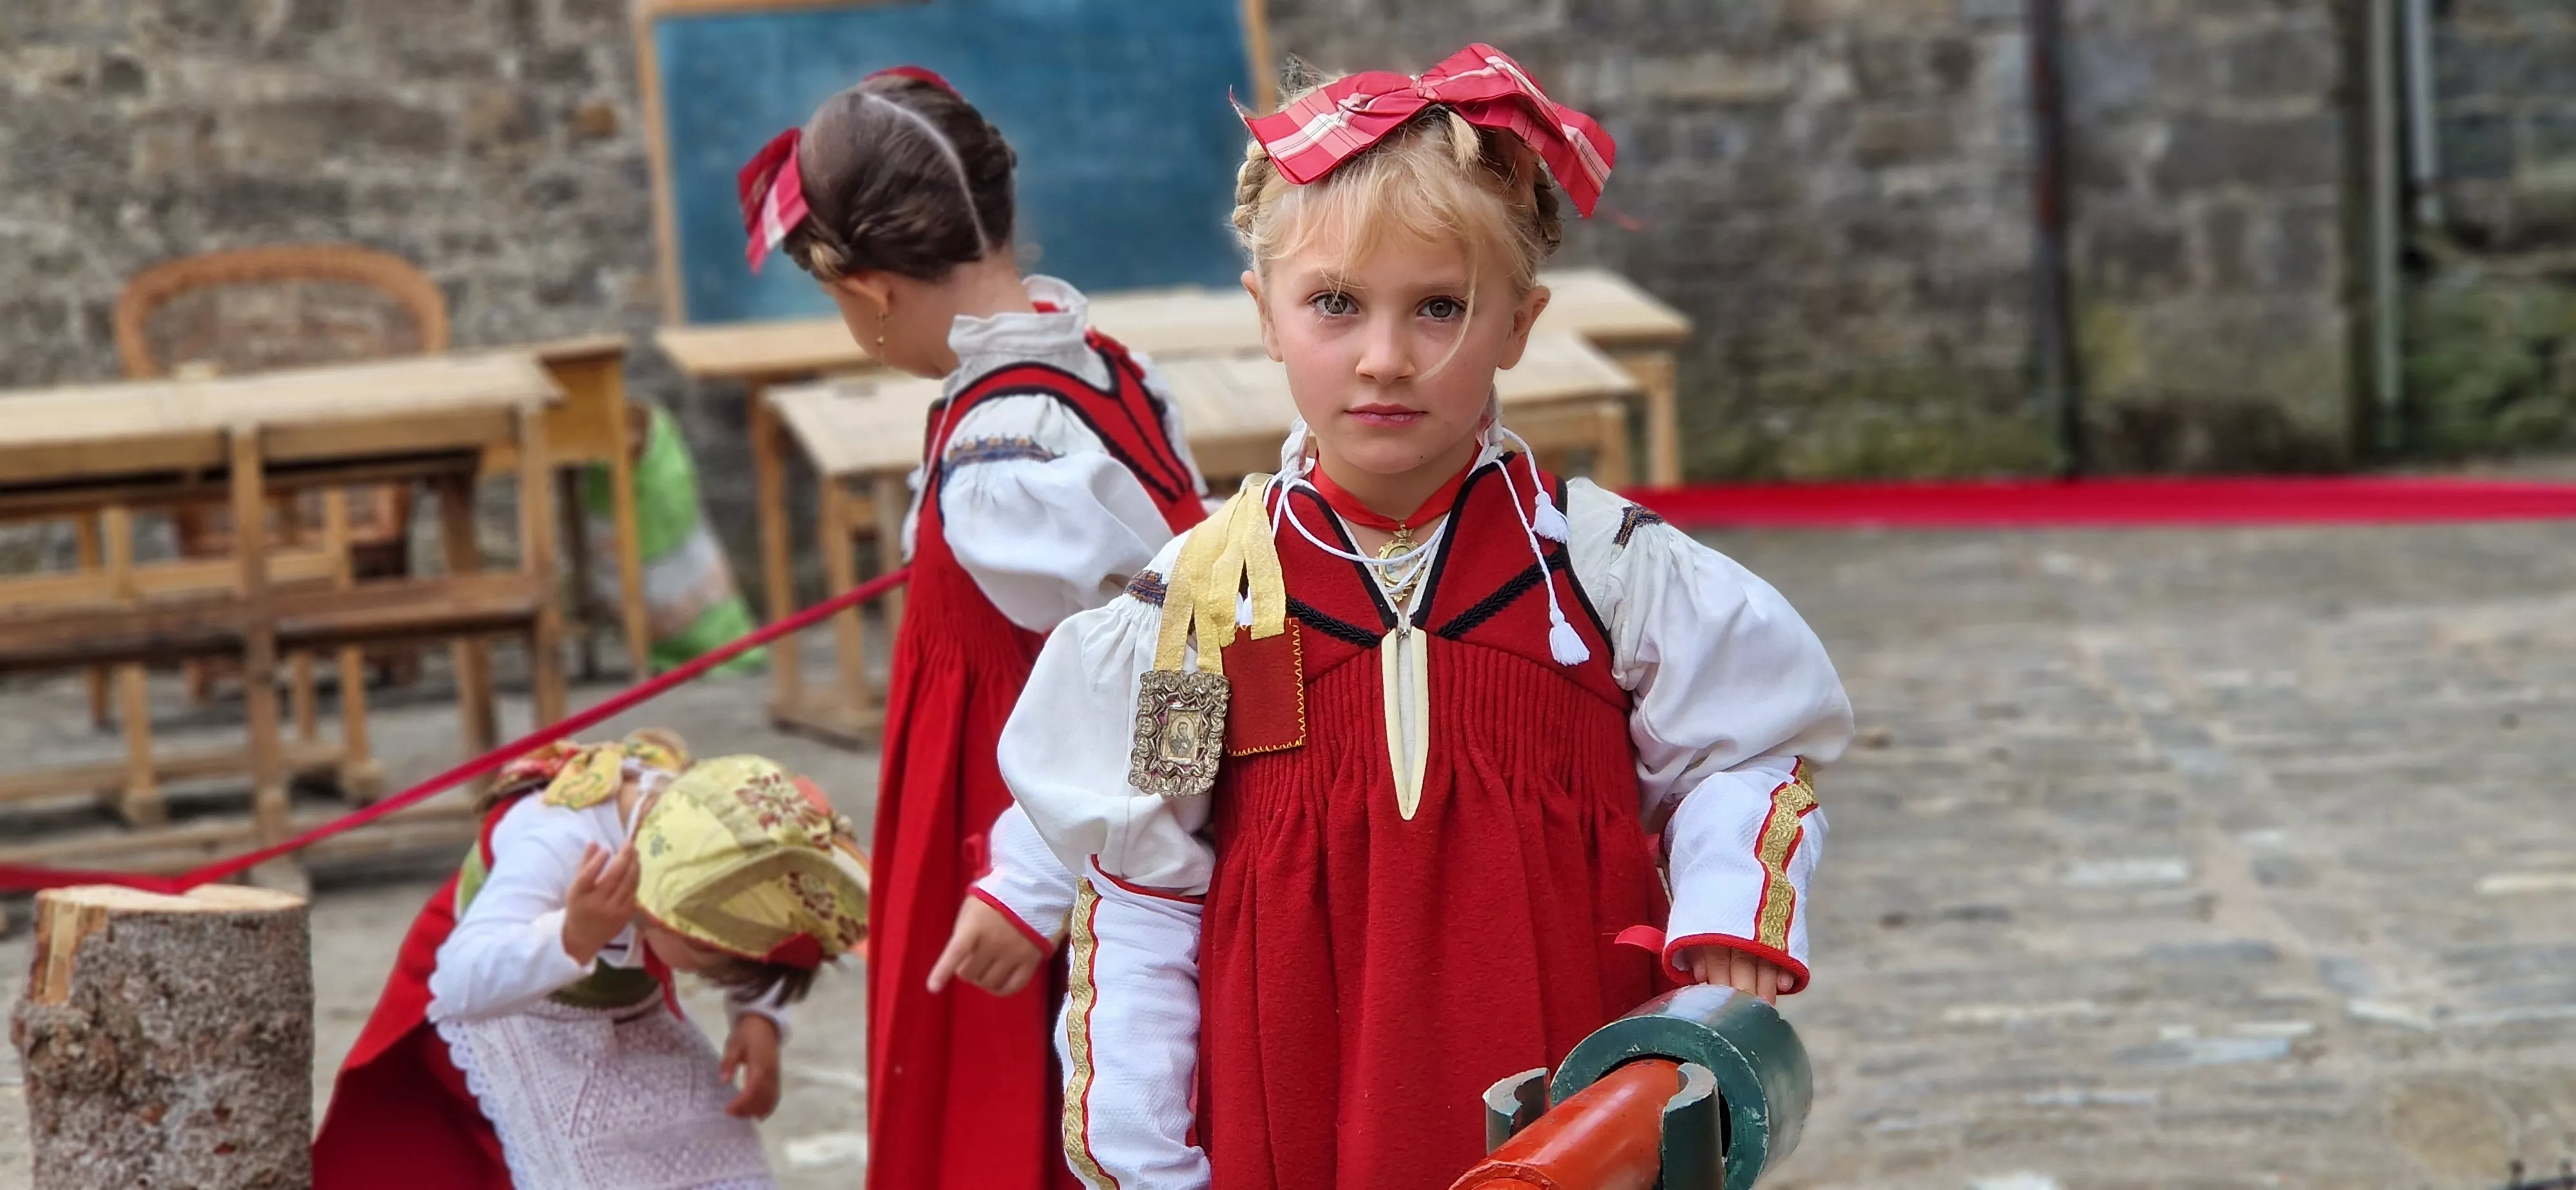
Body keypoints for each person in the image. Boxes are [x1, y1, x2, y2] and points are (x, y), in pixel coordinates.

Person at [999, 45, 1857, 1188]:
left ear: (1519, 321)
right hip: (1298, 1110)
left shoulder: (1601, 577)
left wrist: (1726, 905)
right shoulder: (1206, 611)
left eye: (1440, 307)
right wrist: (1145, 1156)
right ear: (1266, 314)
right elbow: (1150, 882)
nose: (1386, 359)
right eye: (1336, 305)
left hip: (1563, 1101)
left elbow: (1743, 750)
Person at [737, 65, 1209, 1190]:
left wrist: (1032, 883)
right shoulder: (1098, 369)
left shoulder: (1010, 457)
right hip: (1039, 812)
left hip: (1030, 829)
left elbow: (1174, 669)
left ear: (871, 289)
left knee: (1020, 1125)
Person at [312, 734, 869, 1189]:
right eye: (713, 963)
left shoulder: (701, 836)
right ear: (675, 919)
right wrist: (572, 935)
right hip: (500, 1005)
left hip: (611, 1004)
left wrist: (760, 1016)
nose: (705, 976)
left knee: (703, 1133)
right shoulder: (560, 839)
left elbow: (760, 934)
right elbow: (460, 980)